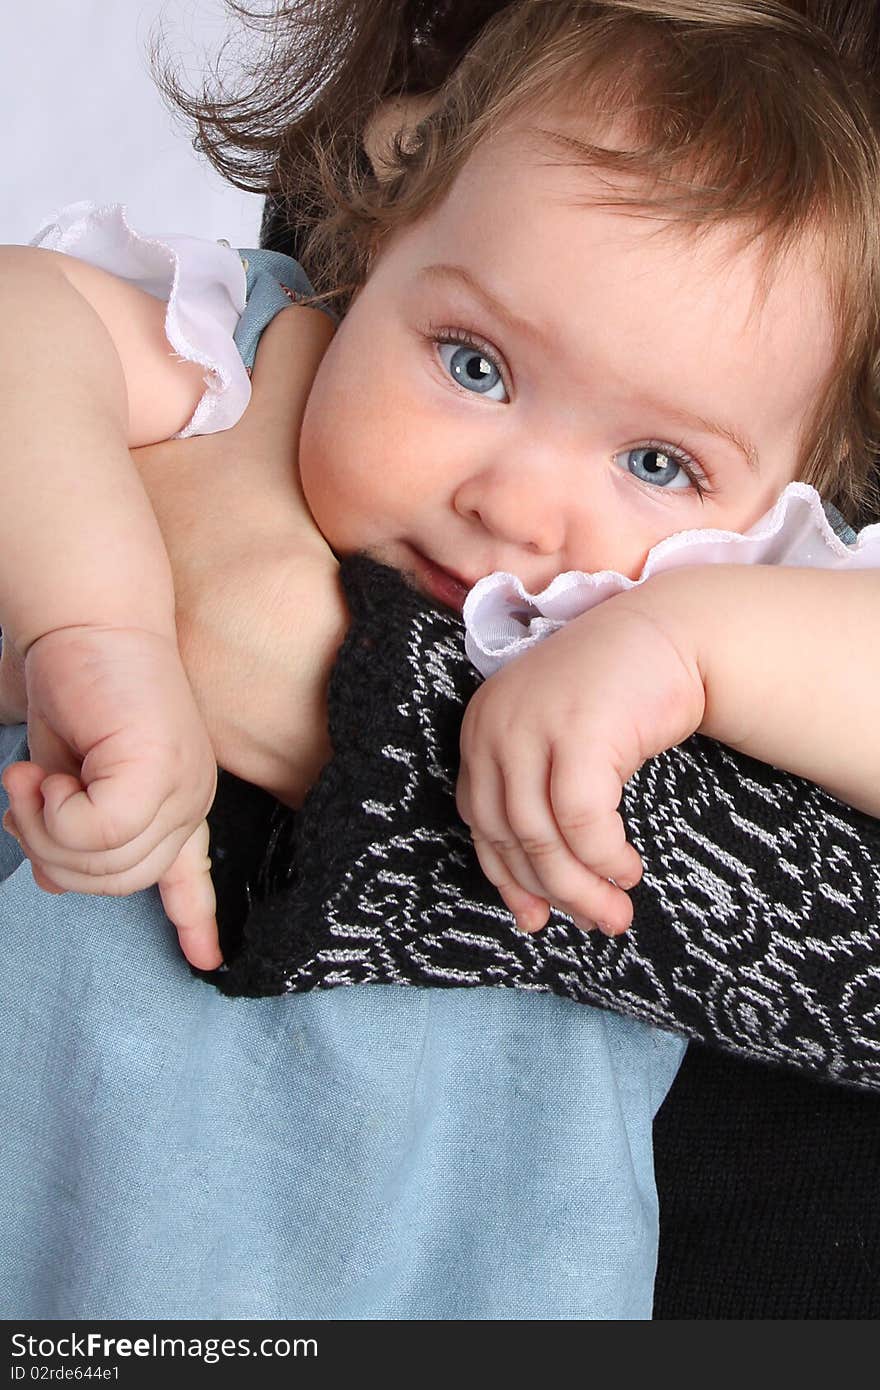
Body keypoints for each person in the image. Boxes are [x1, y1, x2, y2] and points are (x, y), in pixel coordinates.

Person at [1, 0, 879, 1320]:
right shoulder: (257, 354)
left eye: (656, 464)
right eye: (473, 364)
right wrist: (100, 629)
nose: (517, 505)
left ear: (785, 503)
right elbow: (22, 319)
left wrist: (686, 645)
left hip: (465, 1273)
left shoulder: (732, 587)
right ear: (379, 239)